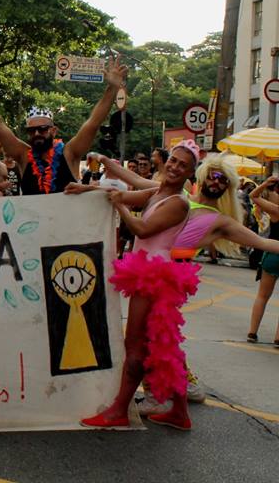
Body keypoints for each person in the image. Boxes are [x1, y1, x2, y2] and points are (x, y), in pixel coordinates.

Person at [80, 141, 200, 431]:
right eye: (173, 160)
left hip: (154, 277)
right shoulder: (158, 191)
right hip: (149, 273)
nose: (174, 167)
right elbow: (122, 192)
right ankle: (180, 413)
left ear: (190, 174)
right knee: (161, 344)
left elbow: (142, 229)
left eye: (182, 165)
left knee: (135, 345)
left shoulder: (179, 203)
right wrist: (85, 189)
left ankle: (118, 411)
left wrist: (119, 206)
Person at [0, 57, 126, 195]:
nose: (36, 134)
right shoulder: (23, 155)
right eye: (31, 130)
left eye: (42, 129)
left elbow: (93, 123)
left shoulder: (70, 153)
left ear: (53, 130)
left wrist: (112, 89)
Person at [247, 177, 279, 347]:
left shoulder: (275, 210)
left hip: (273, 254)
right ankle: (278, 338)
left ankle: (252, 332)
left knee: (262, 295)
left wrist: (265, 184)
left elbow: (253, 196)